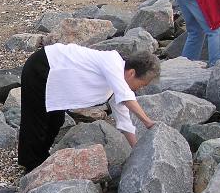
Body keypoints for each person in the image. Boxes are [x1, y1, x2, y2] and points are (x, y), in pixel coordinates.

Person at [18, 45, 160, 172]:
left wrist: (137, 151)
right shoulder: (112, 62)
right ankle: (32, 166)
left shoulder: (116, 85)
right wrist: (147, 122)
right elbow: (126, 96)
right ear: (131, 73)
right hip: (43, 66)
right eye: (141, 85)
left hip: (56, 79)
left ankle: (40, 159)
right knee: (37, 120)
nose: (139, 89)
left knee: (55, 121)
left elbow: (124, 121)